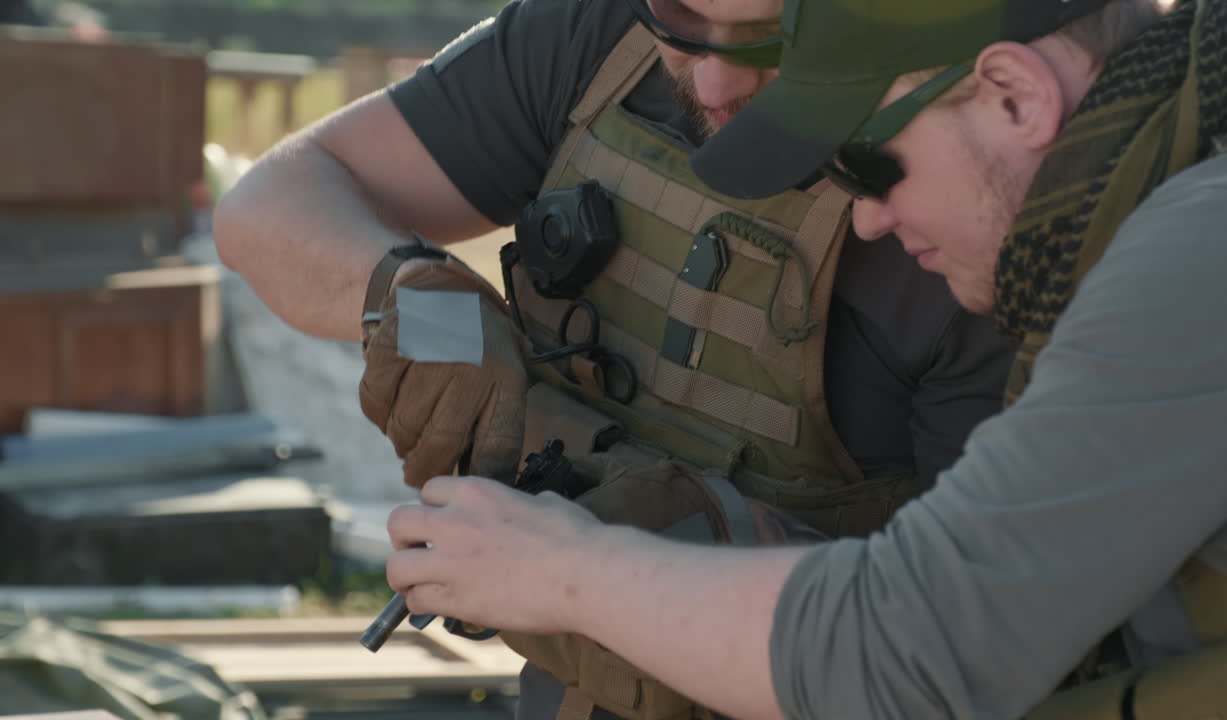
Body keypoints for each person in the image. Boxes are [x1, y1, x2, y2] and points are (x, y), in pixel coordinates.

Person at [379, 0, 1227, 717]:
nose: (865, 218)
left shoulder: (1222, 243)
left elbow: (907, 653)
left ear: (1015, 96)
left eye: (869, 162)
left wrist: (558, 570)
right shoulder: (1218, 174)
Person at [213, 0, 1014, 715]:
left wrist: (635, 565)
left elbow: (975, 652)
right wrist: (421, 299)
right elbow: (269, 205)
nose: (710, 84)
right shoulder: (596, 36)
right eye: (682, 25)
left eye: (768, 40)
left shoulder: (962, 206)